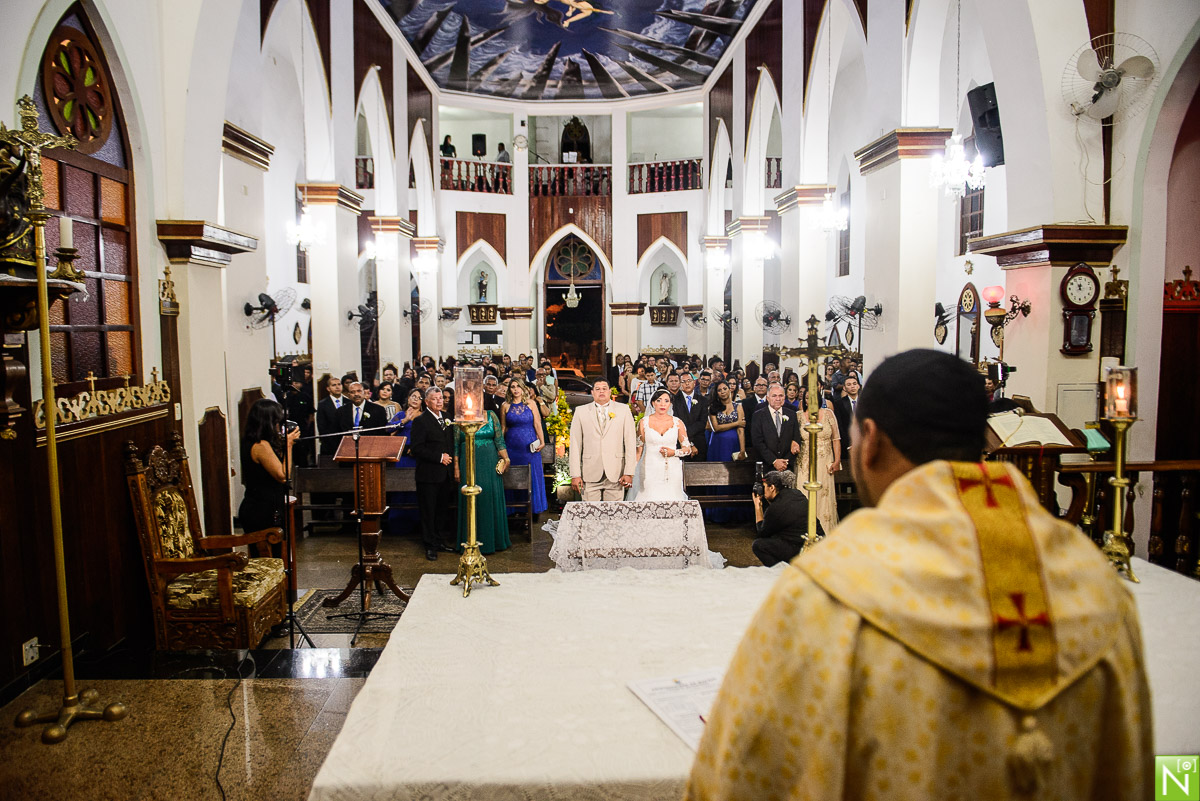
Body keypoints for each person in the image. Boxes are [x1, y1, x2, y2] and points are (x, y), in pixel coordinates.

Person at [685, 349, 1152, 801]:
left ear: (871, 442)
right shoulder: (1095, 585)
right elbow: (1132, 775)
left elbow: (738, 778)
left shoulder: (826, 593)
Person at [238, 398, 300, 555]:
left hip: (262, 504)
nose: (279, 426)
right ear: (268, 422)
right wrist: (289, 445)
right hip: (262, 510)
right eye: (277, 421)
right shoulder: (260, 446)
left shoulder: (252, 440)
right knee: (269, 557)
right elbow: (283, 475)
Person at [452, 409, 511, 555]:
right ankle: (469, 542)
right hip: (468, 461)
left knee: (489, 495)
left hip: (489, 462)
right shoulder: (460, 417)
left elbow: (499, 440)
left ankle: (493, 541)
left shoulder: (491, 415)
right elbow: (455, 445)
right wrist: (456, 467)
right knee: (469, 498)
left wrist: (506, 459)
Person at [409, 387, 458, 561]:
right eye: (435, 399)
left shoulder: (446, 418)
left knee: (441, 510)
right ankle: (429, 545)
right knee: (428, 510)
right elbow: (416, 448)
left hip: (445, 474)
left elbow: (450, 442)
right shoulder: (420, 421)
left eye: (440, 398)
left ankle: (439, 540)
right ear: (427, 401)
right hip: (428, 474)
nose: (440, 401)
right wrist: (439, 457)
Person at [568, 379, 637, 501]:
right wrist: (575, 474)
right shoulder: (581, 411)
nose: (601, 392)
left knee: (614, 514)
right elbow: (575, 444)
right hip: (590, 471)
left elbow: (630, 443)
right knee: (590, 513)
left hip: (616, 472)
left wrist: (629, 472)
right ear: (592, 392)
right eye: (597, 389)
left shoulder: (623, 410)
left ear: (610, 391)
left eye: (604, 388)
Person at [628, 389, 691, 502]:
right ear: (653, 403)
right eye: (659, 400)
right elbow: (639, 450)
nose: (662, 404)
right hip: (649, 468)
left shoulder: (677, 422)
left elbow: (687, 449)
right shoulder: (644, 422)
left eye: (666, 401)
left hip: (671, 469)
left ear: (670, 404)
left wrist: (674, 452)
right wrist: (631, 472)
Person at [750, 470, 821, 566]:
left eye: (764, 487)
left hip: (801, 548)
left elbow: (761, 533)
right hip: (818, 544)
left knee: (758, 545)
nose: (763, 490)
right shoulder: (797, 493)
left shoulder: (776, 508)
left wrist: (757, 506)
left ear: (772, 487)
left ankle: (780, 571)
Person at [795, 387, 842, 535]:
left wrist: (837, 461)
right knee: (805, 496)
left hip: (825, 461)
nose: (811, 401)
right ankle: (805, 533)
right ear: (804, 400)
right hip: (805, 463)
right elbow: (792, 437)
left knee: (824, 497)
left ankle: (825, 533)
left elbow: (836, 439)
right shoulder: (799, 416)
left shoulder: (829, 414)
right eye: (808, 398)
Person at [501, 381, 548, 515]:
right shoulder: (505, 406)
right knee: (512, 477)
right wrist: (501, 448)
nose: (515, 389)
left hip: (529, 447)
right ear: (509, 389)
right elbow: (503, 428)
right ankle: (514, 510)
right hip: (511, 447)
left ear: (523, 388)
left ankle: (531, 511)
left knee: (530, 476)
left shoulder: (531, 403)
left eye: (518, 387)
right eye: (512, 387)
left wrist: (542, 441)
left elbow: (537, 423)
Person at [749, 383, 800, 473]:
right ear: (768, 398)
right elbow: (757, 442)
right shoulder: (758, 415)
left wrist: (785, 462)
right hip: (766, 465)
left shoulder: (791, 414)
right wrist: (774, 461)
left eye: (781, 395)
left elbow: (796, 438)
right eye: (774, 396)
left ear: (784, 397)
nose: (778, 399)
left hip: (787, 466)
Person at [673, 373, 708, 461]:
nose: (687, 384)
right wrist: (690, 444)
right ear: (680, 385)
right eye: (683, 382)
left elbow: (702, 422)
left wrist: (692, 442)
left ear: (694, 382)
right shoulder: (674, 401)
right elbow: (676, 422)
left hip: (699, 442)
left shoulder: (703, 400)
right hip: (680, 444)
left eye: (689, 381)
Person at [315, 375, 347, 458]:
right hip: (329, 444)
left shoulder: (349, 402)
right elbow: (321, 425)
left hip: (346, 443)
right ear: (328, 388)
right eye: (334, 385)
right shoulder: (323, 404)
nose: (337, 387)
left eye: (339, 384)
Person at [832, 374, 861, 463]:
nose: (852, 386)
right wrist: (849, 444)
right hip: (847, 446)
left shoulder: (866, 402)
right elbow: (839, 427)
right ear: (844, 388)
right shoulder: (839, 404)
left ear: (858, 386)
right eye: (849, 385)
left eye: (854, 384)